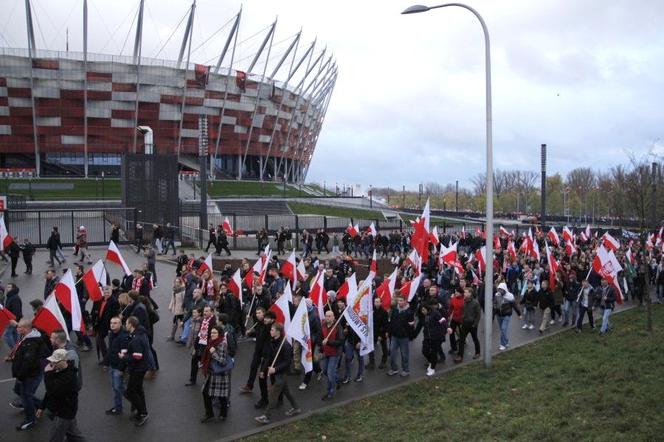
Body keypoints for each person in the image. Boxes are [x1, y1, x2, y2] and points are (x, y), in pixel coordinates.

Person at [36, 348, 86, 442]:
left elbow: (52, 390)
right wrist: (42, 407)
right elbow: (50, 392)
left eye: (55, 362)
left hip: (63, 412)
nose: (52, 364)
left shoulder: (68, 376)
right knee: (74, 435)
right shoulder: (58, 370)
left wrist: (48, 374)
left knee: (55, 438)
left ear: (64, 361)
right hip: (65, 411)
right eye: (52, 361)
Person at [255, 322, 300, 424]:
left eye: (272, 330)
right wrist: (263, 370)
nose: (270, 331)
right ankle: (296, 408)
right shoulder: (272, 341)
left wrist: (275, 369)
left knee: (273, 394)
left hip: (282, 373)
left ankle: (266, 416)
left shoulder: (285, 345)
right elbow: (269, 357)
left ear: (278, 332)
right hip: (276, 372)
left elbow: (288, 362)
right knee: (287, 392)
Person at [11, 319, 50, 431]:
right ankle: (41, 405)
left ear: (27, 329)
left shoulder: (31, 343)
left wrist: (20, 375)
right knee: (20, 391)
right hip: (27, 374)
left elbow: (28, 362)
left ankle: (30, 419)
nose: (17, 329)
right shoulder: (27, 337)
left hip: (30, 375)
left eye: (19, 327)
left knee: (25, 395)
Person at [121, 316, 155, 427]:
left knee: (130, 391)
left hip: (138, 369)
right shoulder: (139, 334)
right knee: (138, 390)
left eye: (126, 323)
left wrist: (124, 357)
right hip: (141, 368)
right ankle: (141, 412)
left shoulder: (136, 338)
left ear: (131, 325)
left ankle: (143, 413)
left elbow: (138, 356)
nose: (125, 325)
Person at [200, 325, 232, 423]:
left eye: (215, 333)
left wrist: (214, 353)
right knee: (206, 393)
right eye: (212, 332)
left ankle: (223, 413)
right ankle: (210, 414)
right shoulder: (212, 341)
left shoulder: (222, 343)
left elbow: (222, 361)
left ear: (219, 334)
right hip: (212, 372)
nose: (212, 334)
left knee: (221, 395)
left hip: (220, 374)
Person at [103, 316, 129, 415]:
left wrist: (121, 369)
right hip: (112, 365)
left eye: (115, 323)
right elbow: (110, 350)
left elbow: (124, 354)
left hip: (118, 367)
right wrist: (106, 363)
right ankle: (118, 408)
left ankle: (135, 401)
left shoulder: (123, 337)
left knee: (118, 387)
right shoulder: (112, 335)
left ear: (120, 324)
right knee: (115, 388)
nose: (112, 325)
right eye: (111, 323)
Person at [187, 305, 216, 386]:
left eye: (207, 311)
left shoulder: (213, 322)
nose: (205, 313)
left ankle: (210, 383)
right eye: (204, 311)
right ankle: (192, 380)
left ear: (212, 312)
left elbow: (213, 336)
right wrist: (195, 346)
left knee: (207, 365)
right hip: (200, 345)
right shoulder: (203, 320)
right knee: (194, 360)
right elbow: (199, 334)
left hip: (207, 346)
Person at [387, 296, 414, 377]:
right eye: (398, 300)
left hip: (404, 338)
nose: (399, 302)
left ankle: (406, 370)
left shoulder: (409, 312)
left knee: (404, 355)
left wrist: (409, 336)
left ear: (405, 301)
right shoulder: (395, 310)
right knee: (392, 353)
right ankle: (394, 369)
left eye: (401, 300)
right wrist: (389, 332)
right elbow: (391, 322)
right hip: (394, 336)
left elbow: (411, 326)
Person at [421, 300, 449, 376]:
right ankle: (431, 361)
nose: (422, 312)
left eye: (423, 310)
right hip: (427, 336)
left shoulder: (435, 313)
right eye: (421, 310)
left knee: (434, 353)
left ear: (427, 308)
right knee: (424, 351)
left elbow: (443, 321)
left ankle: (432, 368)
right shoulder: (425, 315)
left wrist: (447, 328)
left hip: (436, 337)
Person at [455, 288, 481, 362]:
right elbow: (463, 312)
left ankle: (477, 352)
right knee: (461, 340)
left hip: (472, 324)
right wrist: (461, 321)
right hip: (464, 323)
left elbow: (478, 315)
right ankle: (460, 356)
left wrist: (475, 324)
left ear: (470, 293)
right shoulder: (464, 301)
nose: (464, 294)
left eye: (466, 292)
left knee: (475, 339)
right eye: (464, 292)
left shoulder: (475, 303)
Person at [494, 282, 522, 351]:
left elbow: (514, 306)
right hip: (499, 315)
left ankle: (502, 344)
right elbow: (494, 304)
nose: (500, 291)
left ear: (505, 289)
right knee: (503, 330)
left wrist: (519, 314)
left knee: (503, 329)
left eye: (501, 289)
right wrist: (494, 312)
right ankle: (506, 342)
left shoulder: (510, 296)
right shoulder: (497, 295)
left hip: (507, 315)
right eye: (499, 289)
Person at [366, 297, 388, 370]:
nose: (376, 303)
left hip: (381, 333)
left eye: (378, 302)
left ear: (381, 303)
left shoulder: (384, 312)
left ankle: (383, 362)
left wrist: (381, 335)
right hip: (373, 333)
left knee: (384, 348)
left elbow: (385, 325)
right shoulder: (372, 311)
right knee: (370, 348)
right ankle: (371, 362)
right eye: (375, 302)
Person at [3, 282, 22, 353]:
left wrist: (14, 320)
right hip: (11, 319)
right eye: (7, 287)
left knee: (7, 335)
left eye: (9, 287)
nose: (7, 288)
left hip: (12, 320)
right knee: (14, 334)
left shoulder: (14, 298)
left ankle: (15, 351)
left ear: (13, 288)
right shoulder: (10, 296)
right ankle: (18, 350)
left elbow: (17, 311)